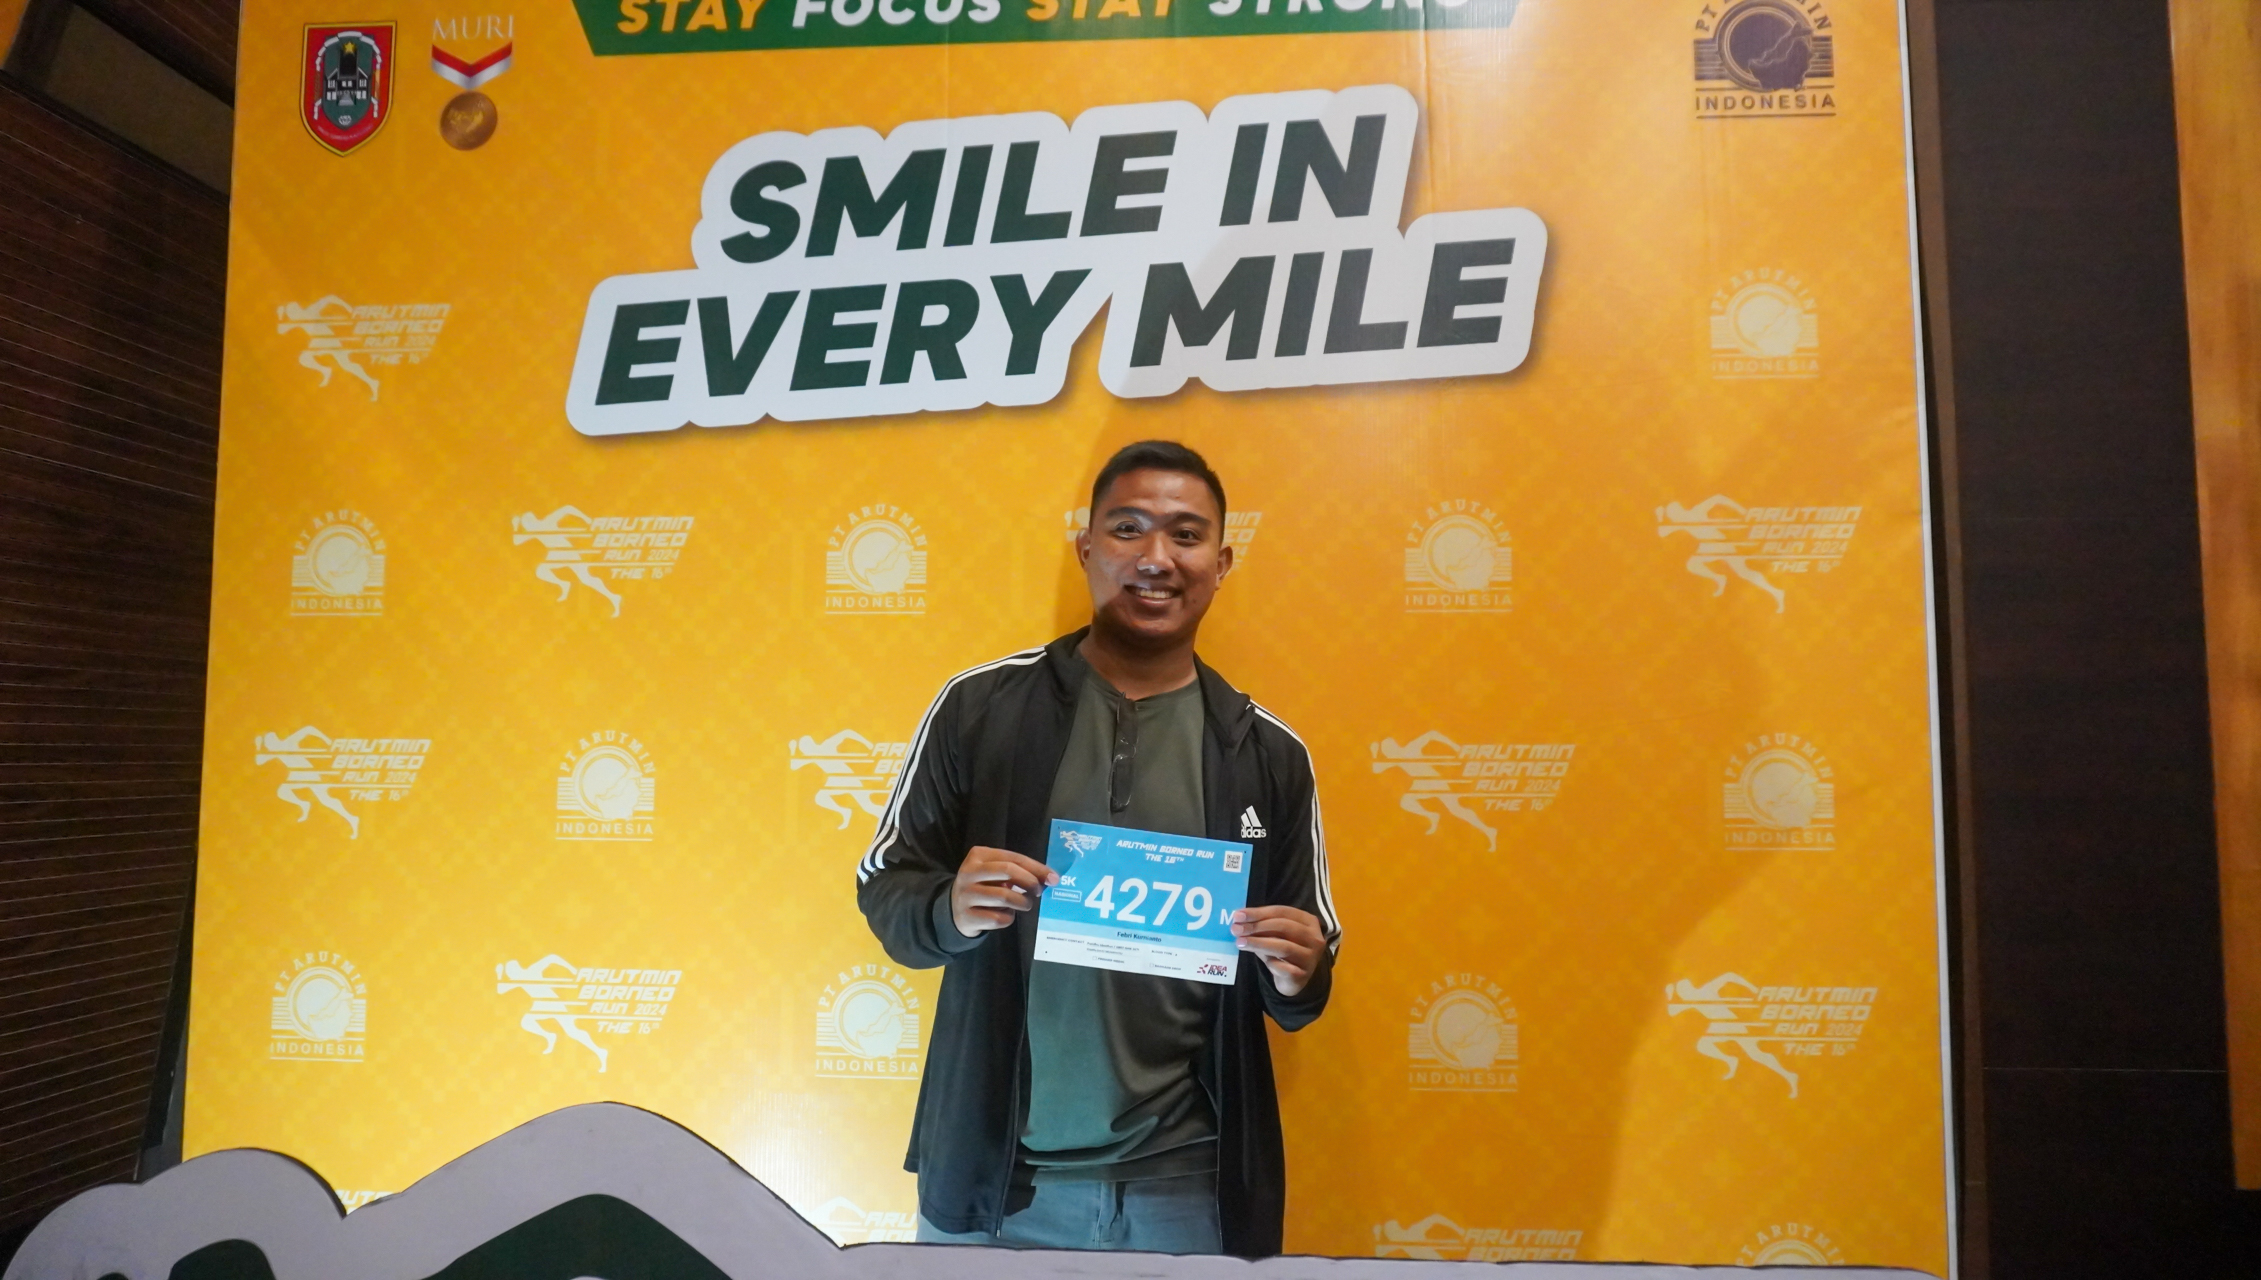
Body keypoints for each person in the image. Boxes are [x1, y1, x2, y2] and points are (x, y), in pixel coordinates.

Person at [855, 440, 1340, 1257]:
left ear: (1221, 564)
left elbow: (1303, 973)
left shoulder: (1266, 753)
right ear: (1085, 548)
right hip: (993, 1181)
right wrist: (948, 907)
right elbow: (887, 888)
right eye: (1128, 528)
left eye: (1185, 535)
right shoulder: (979, 708)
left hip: (1188, 1189)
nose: (1156, 557)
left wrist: (1299, 970)